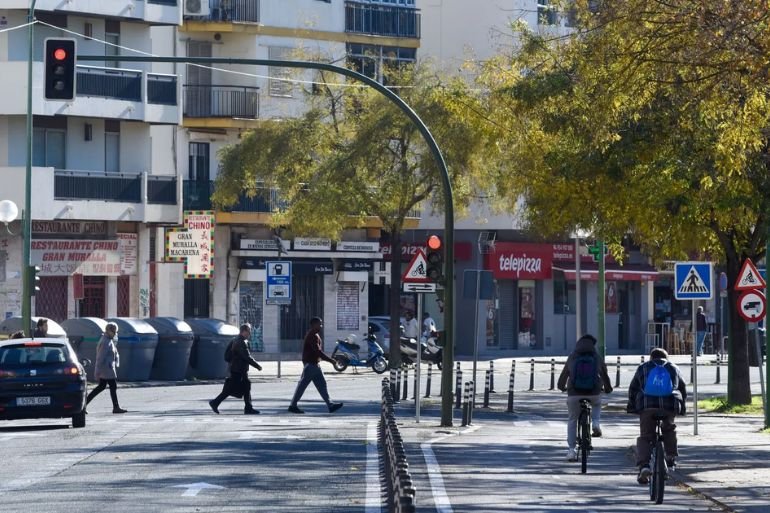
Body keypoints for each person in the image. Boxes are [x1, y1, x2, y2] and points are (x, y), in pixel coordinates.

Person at [626, 347, 686, 484]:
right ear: (666, 357)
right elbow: (682, 388)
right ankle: (670, 457)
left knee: (646, 436)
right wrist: (682, 408)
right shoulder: (673, 368)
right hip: (670, 405)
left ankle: (644, 466)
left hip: (647, 405)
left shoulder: (643, 368)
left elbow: (633, 389)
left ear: (651, 358)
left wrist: (632, 406)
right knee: (669, 428)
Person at [557, 334, 613, 462]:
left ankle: (571, 450)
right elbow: (604, 374)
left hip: (574, 394)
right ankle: (596, 423)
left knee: (572, 419)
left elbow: (564, 374)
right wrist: (608, 389)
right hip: (594, 392)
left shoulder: (572, 357)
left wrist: (561, 387)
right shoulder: (596, 357)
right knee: (597, 404)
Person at [288, 317, 343, 414]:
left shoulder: (314, 335)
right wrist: (331, 360)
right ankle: (293, 405)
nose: (321, 326)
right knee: (302, 386)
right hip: (311, 365)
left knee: (322, 385)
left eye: (321, 324)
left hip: (314, 365)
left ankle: (330, 405)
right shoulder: (312, 336)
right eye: (319, 324)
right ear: (313, 325)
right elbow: (317, 351)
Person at [209, 323, 262, 415]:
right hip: (237, 370)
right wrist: (257, 366)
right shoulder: (240, 342)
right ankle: (215, 402)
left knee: (246, 387)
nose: (250, 334)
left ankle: (248, 408)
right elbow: (246, 356)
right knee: (229, 389)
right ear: (244, 331)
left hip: (240, 369)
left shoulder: (238, 340)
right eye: (249, 332)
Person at [86, 322, 127, 414]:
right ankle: (116, 407)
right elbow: (100, 358)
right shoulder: (105, 342)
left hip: (108, 368)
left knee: (101, 387)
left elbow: (114, 352)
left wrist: (116, 360)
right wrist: (97, 371)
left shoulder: (108, 340)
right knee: (112, 386)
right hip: (106, 369)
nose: (115, 334)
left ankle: (84, 404)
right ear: (108, 331)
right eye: (114, 332)